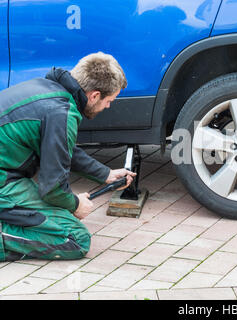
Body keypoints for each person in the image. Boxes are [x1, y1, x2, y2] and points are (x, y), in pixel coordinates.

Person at [0, 52, 136, 261]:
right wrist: (74, 204)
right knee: (76, 238)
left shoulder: (47, 91)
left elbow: (61, 149)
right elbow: (52, 188)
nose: (108, 106)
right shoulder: (61, 112)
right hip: (4, 182)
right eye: (109, 100)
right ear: (94, 95)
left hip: (6, 174)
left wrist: (105, 174)